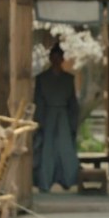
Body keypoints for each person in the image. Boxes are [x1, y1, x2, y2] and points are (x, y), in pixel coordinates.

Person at [33, 43, 80, 192]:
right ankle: (45, 181)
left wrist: (73, 122)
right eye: (54, 57)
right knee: (47, 149)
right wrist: (39, 121)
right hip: (48, 115)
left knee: (66, 149)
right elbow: (38, 101)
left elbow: (73, 102)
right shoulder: (42, 78)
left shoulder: (68, 79)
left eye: (59, 57)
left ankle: (68, 180)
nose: (56, 60)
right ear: (50, 59)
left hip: (63, 116)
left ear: (62, 59)